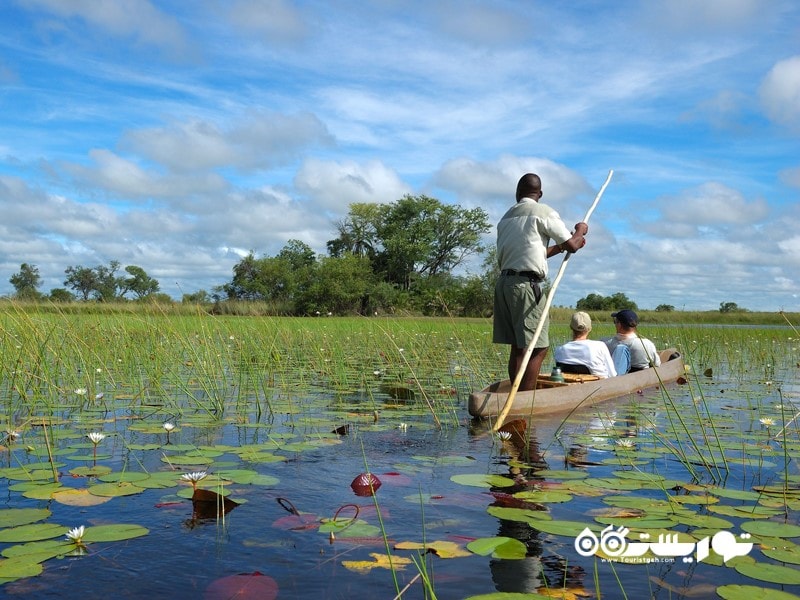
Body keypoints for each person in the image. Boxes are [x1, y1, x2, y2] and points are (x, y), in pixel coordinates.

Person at [493, 173, 589, 391]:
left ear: (518, 194)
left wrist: (565, 245)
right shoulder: (543, 211)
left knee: (518, 346)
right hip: (526, 286)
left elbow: (535, 253)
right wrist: (580, 231)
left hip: (504, 285)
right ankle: (525, 398)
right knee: (538, 347)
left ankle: (516, 395)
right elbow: (573, 244)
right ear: (540, 194)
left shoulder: (507, 217)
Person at [554, 311, 617, 378]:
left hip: (571, 385)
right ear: (589, 329)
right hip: (599, 385)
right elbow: (612, 374)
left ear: (571, 327)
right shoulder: (600, 346)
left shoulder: (559, 350)